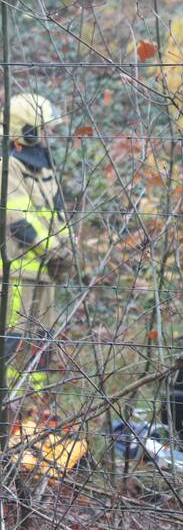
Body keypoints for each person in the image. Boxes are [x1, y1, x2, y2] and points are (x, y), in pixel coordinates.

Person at [3, 93, 73, 393]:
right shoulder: (8, 167)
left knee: (44, 339)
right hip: (18, 273)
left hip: (47, 270)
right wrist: (54, 249)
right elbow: (17, 222)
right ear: (25, 131)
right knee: (12, 338)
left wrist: (68, 248)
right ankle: (7, 402)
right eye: (42, 129)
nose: (48, 137)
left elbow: (58, 214)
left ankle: (37, 400)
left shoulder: (44, 168)